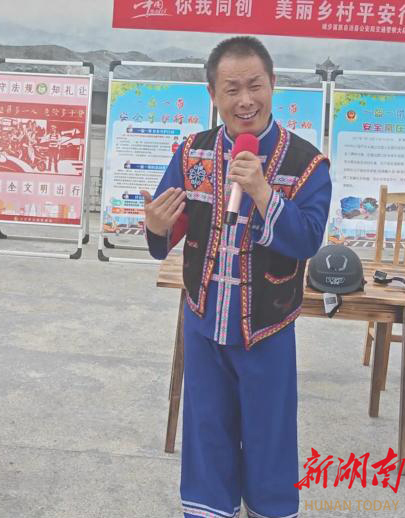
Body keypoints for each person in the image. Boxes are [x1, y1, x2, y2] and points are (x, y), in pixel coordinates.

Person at [142, 37, 331, 518]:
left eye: (255, 86)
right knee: (207, 431)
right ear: (213, 94)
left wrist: (264, 193)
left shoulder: (307, 163)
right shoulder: (192, 154)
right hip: (203, 323)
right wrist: (156, 227)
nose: (245, 100)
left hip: (267, 328)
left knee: (270, 435)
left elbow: (308, 240)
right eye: (232, 89)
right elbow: (165, 228)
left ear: (273, 85)